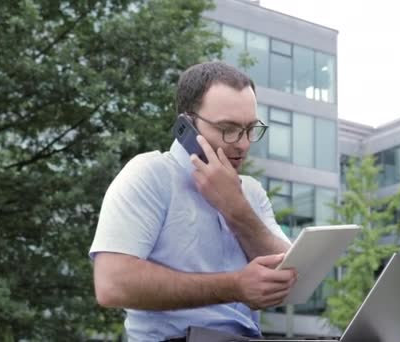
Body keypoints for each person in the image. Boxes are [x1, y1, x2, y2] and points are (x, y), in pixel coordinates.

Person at [90, 62, 297, 341]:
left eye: (250, 129)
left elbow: (291, 277)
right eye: (228, 128)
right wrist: (234, 286)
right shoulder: (150, 174)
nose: (243, 143)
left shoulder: (252, 192)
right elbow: (112, 284)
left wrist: (236, 209)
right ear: (186, 124)